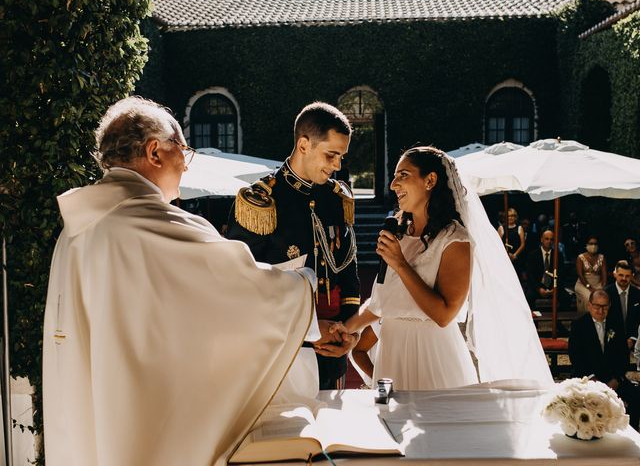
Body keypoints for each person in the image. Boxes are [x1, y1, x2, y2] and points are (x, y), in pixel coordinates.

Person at [42, 97, 317, 466]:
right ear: (155, 152)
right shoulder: (149, 223)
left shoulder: (75, 231)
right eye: (183, 151)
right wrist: (306, 287)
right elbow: (240, 290)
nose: (185, 167)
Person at [320, 145, 552, 389]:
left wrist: (400, 263)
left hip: (431, 354)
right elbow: (381, 302)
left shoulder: (454, 240)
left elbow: (444, 314)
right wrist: (343, 330)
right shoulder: (398, 234)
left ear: (430, 180)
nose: (393, 185)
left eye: (403, 175)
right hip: (392, 353)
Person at [227, 101, 361, 391]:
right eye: (331, 155)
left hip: (333, 354)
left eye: (341, 156)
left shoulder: (337, 199)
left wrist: (350, 331)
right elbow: (241, 286)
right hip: (283, 356)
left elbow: (348, 270)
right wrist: (309, 332)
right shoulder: (261, 202)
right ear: (303, 145)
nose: (338, 165)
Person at [569, 289, 640, 430]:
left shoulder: (617, 324)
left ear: (609, 306)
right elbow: (576, 356)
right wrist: (591, 379)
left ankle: (630, 432)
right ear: (589, 305)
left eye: (604, 306)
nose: (600, 310)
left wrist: (616, 379)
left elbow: (623, 357)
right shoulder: (579, 325)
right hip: (587, 379)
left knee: (636, 396)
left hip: (612, 378)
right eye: (597, 306)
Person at [605, 260, 640, 348]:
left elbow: (638, 320)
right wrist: (616, 340)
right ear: (615, 275)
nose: (624, 278)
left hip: (635, 341)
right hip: (611, 339)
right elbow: (604, 321)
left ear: (632, 277)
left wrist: (633, 338)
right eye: (621, 275)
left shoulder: (637, 294)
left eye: (627, 276)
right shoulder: (606, 293)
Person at [575, 235, 607, 314]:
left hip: (597, 284)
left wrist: (603, 286)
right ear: (586, 245)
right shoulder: (580, 257)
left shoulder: (601, 257)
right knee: (590, 297)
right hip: (583, 284)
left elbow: (604, 274)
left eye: (595, 244)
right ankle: (588, 320)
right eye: (591, 243)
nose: (593, 246)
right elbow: (580, 275)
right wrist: (589, 287)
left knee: (602, 297)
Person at [497, 207, 525, 274]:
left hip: (517, 258)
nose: (510, 218)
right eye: (508, 216)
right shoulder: (501, 228)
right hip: (504, 258)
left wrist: (514, 255)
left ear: (515, 217)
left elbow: (522, 244)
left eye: (512, 216)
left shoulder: (519, 228)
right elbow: (498, 244)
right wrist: (507, 254)